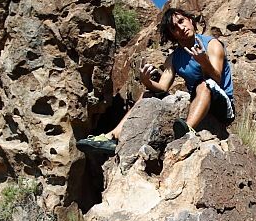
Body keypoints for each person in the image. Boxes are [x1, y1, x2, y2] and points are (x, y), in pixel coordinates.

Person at [77, 8, 235, 155]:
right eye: (174, 27)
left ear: (190, 21)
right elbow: (162, 87)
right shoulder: (174, 58)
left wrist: (203, 61)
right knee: (149, 94)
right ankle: (112, 137)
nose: (180, 28)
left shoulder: (211, 44)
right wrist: (146, 81)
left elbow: (217, 78)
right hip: (199, 100)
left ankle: (187, 130)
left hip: (222, 106)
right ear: (172, 34)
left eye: (181, 21)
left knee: (204, 84)